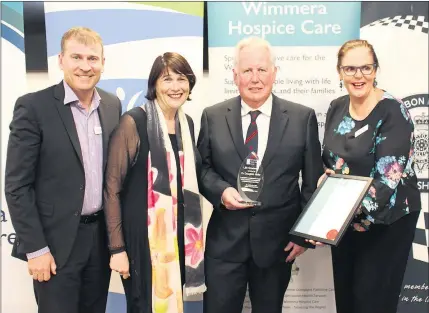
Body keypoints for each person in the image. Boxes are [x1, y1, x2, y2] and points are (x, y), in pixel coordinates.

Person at [197, 37, 323, 313]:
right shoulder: (212, 116)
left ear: (274, 73)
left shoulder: (302, 118)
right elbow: (202, 169)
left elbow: (312, 183)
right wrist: (221, 192)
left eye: (262, 70)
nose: (255, 78)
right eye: (247, 71)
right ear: (235, 75)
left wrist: (303, 235)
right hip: (225, 245)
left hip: (277, 245)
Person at [4, 27, 122, 313]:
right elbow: (17, 185)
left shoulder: (111, 105)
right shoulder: (34, 107)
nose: (85, 66)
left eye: (93, 58)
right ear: (61, 60)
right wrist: (36, 249)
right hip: (54, 246)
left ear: (103, 63)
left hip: (98, 242)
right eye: (76, 57)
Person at [319, 39, 421, 313]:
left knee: (371, 301)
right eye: (350, 69)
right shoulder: (336, 107)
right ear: (339, 72)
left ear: (376, 70)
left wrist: (326, 221)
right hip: (345, 222)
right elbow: (330, 160)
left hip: (386, 221)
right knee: (347, 299)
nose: (358, 75)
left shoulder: (394, 111)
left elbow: (386, 182)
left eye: (366, 67)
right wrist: (324, 183)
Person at [104, 52, 206, 313]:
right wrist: (117, 249)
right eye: (167, 79)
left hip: (181, 236)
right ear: (154, 84)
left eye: (181, 79)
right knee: (143, 305)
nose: (175, 87)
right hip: (143, 239)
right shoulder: (133, 122)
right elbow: (112, 189)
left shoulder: (187, 124)